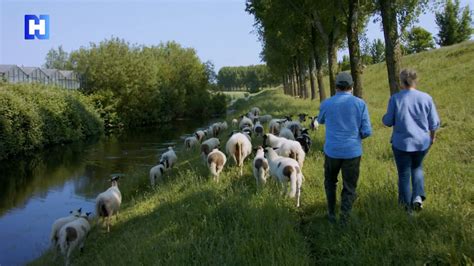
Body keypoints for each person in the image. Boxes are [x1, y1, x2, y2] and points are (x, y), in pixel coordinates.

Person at [317, 72, 372, 224]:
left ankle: (331, 213)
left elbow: (320, 120)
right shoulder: (360, 104)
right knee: (349, 186)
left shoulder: (327, 103)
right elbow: (367, 131)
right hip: (352, 152)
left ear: (336, 87)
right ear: (352, 87)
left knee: (330, 182)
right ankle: (345, 218)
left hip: (332, 151)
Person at [382, 69, 440, 212]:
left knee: (403, 174)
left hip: (401, 143)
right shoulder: (426, 98)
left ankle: (406, 208)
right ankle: (418, 198)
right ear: (416, 80)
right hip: (421, 142)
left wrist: (384, 118)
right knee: (417, 168)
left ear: (401, 82)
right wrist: (432, 137)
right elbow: (434, 123)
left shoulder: (395, 99)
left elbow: (388, 121)